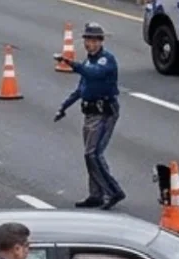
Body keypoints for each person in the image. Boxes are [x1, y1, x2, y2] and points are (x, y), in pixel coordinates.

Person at [55, 22, 126, 211]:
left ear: (100, 42)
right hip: (89, 112)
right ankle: (96, 194)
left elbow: (93, 74)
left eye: (94, 40)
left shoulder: (105, 60)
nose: (90, 44)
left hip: (104, 112)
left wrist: (70, 62)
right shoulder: (89, 60)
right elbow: (82, 88)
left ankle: (113, 191)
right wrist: (64, 106)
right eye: (87, 40)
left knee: (93, 153)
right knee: (90, 154)